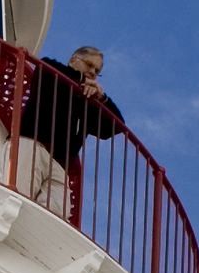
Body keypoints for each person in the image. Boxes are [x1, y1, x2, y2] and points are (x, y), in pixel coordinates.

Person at [15, 43, 129, 216]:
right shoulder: (51, 72)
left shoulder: (86, 104)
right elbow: (47, 65)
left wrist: (102, 98)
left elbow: (116, 126)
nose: (93, 73)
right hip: (32, 146)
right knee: (16, 198)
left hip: (60, 165)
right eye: (89, 65)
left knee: (54, 218)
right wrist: (81, 81)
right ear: (74, 60)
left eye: (97, 71)